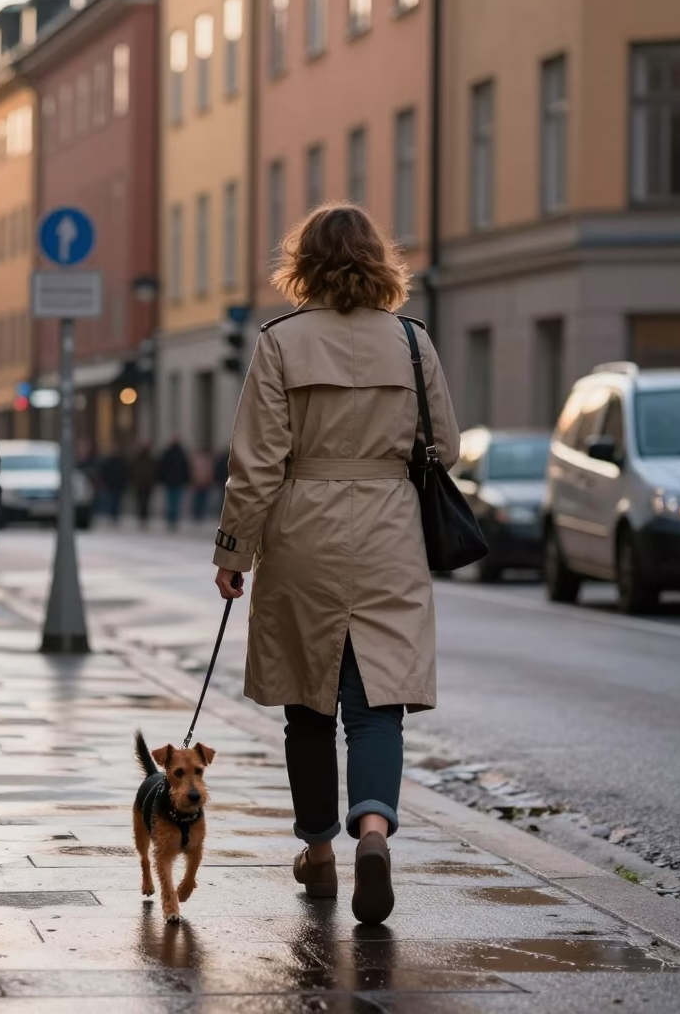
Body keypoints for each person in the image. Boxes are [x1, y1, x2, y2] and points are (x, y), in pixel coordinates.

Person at [211, 204, 459, 924]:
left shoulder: (280, 342)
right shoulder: (412, 342)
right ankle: (373, 832)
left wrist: (233, 552)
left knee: (309, 703)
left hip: (302, 533)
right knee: (378, 703)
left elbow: (256, 464)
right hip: (390, 534)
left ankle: (318, 853)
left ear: (304, 264)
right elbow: (446, 447)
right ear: (380, 261)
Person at [159, 438, 191, 530]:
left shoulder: (170, 454)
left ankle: (172, 518)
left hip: (173, 481)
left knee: (172, 501)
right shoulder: (180, 454)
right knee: (174, 501)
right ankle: (172, 518)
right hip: (175, 481)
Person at [130, 443, 158, 528]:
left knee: (144, 502)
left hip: (144, 484)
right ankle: (142, 517)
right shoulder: (143, 459)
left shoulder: (149, 460)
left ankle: (143, 518)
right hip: (142, 484)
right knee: (143, 502)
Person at [99, 450, 130, 523]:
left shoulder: (120, 463)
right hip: (111, 485)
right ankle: (111, 516)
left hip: (117, 485)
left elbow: (125, 474)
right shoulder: (110, 463)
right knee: (112, 502)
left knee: (116, 502)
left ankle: (114, 516)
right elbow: (104, 473)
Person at [190, 450, 214, 522]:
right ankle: (197, 513)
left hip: (204, 483)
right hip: (198, 482)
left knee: (203, 498)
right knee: (197, 499)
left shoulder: (206, 461)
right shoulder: (197, 461)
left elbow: (209, 472)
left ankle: (200, 513)